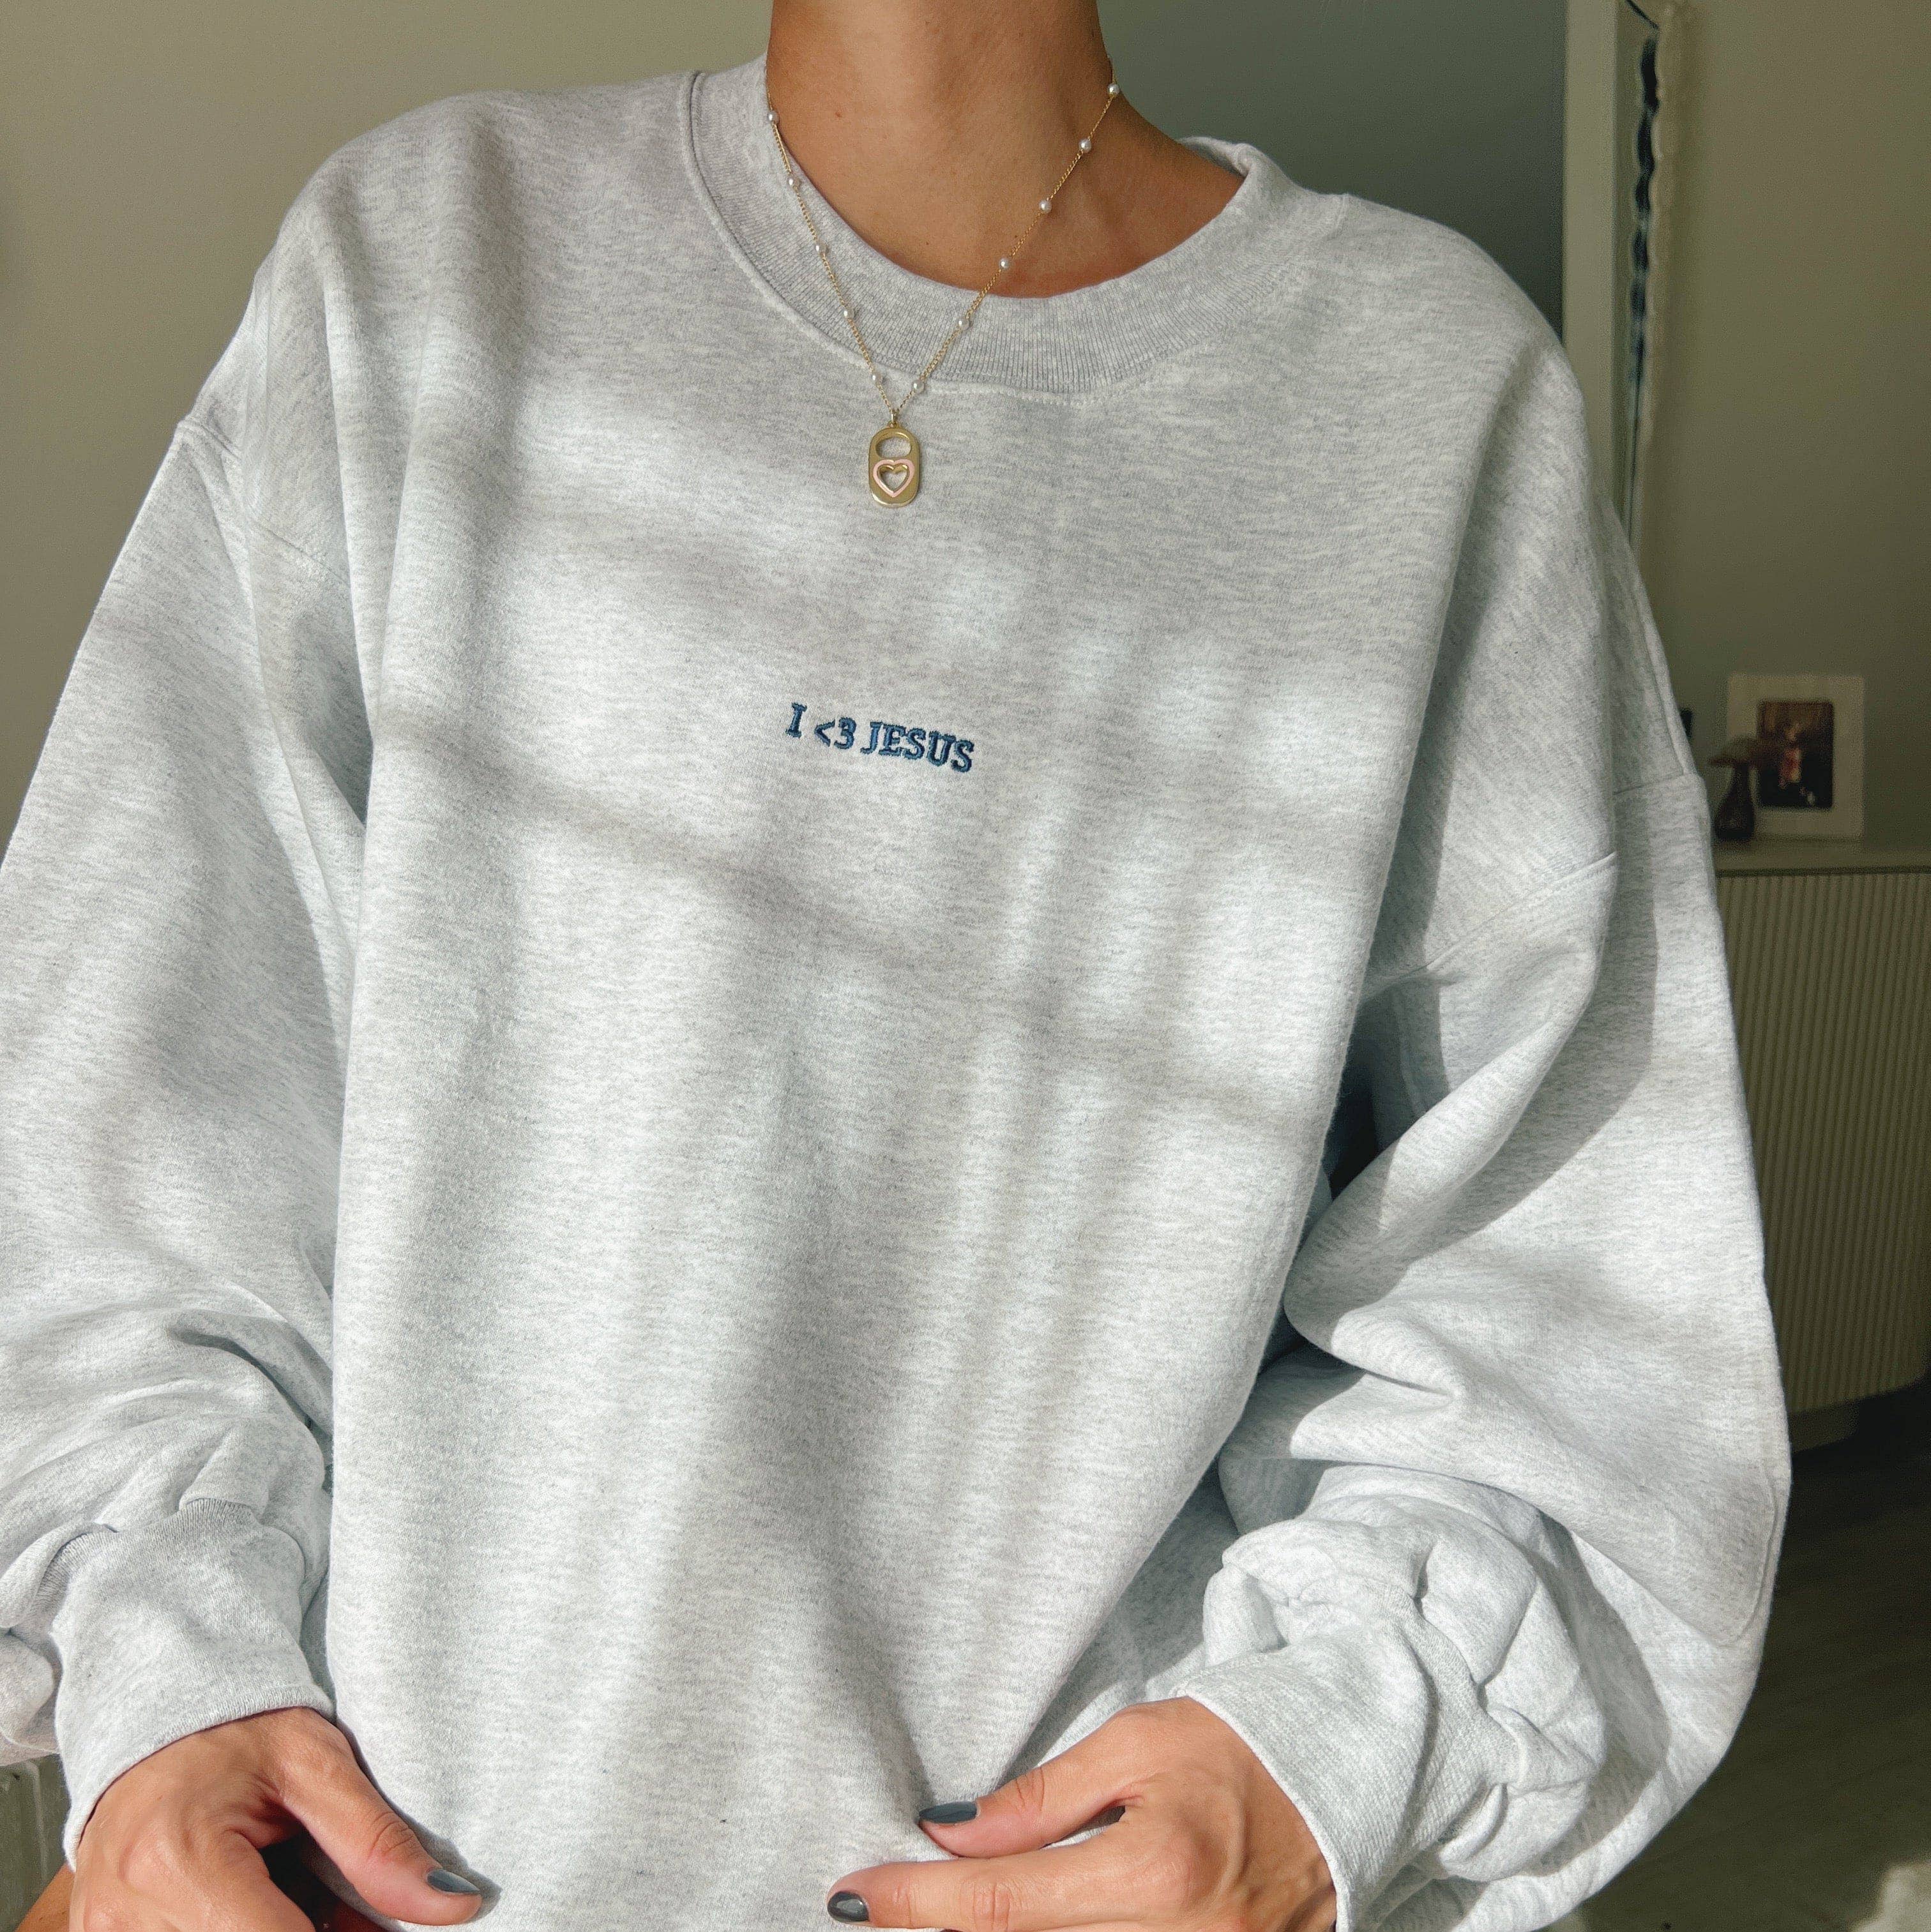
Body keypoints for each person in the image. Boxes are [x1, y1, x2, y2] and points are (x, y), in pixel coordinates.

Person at [0, 4, 1791, 1931]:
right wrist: (170, 1675)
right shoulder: (429, 256)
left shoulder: (1425, 388)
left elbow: (1567, 1293)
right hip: (370, 1878)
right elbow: (125, 1125)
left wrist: (1327, 1749)